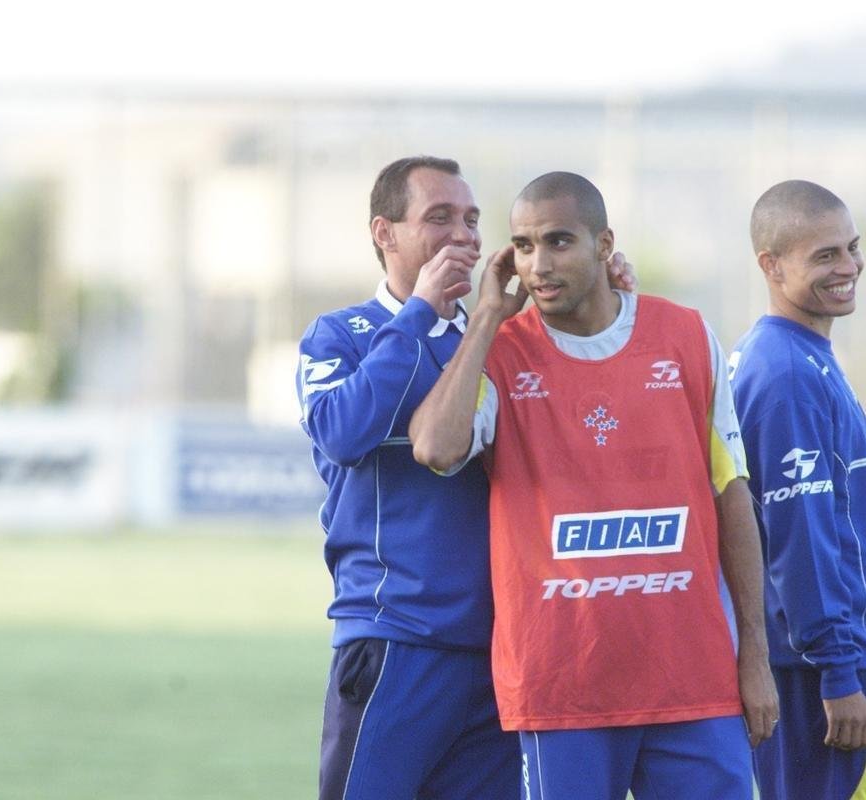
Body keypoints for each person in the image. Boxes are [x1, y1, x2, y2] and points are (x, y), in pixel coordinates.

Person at [409, 171, 778, 800]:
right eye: (522, 247)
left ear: (604, 245)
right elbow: (436, 449)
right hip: (560, 691)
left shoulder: (686, 337)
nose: (539, 264)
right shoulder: (500, 354)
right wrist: (489, 317)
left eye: (559, 242)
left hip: (692, 681)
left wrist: (755, 655)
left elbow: (731, 495)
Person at [296, 156, 635, 800]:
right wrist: (420, 310)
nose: (465, 235)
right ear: (384, 233)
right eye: (440, 217)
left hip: (504, 649)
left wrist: (613, 304)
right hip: (397, 637)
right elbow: (340, 433)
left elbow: (594, 435)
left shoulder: (504, 340)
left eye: (473, 220)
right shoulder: (340, 334)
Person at [728, 180, 866, 799]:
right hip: (816, 675)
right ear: (770, 266)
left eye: (852, 248)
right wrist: (838, 672)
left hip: (799, 665)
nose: (848, 267)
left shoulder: (785, 355)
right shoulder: (788, 376)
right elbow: (801, 537)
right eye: (824, 255)